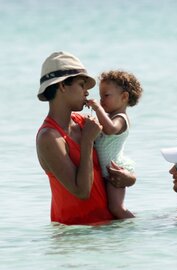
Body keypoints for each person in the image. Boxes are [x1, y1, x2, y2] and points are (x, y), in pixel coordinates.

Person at [36, 51, 136, 225]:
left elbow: (112, 154)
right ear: (62, 86)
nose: (87, 93)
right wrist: (87, 141)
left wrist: (129, 178)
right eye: (82, 85)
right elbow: (81, 191)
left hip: (107, 230)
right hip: (77, 236)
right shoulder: (49, 137)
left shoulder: (84, 123)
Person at [87, 70, 143, 219]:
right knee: (105, 208)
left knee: (116, 208)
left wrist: (97, 109)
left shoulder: (121, 118)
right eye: (100, 97)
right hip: (105, 171)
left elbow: (110, 129)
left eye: (106, 96)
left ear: (124, 97)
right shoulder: (109, 117)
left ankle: (136, 225)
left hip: (115, 171)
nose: (101, 101)